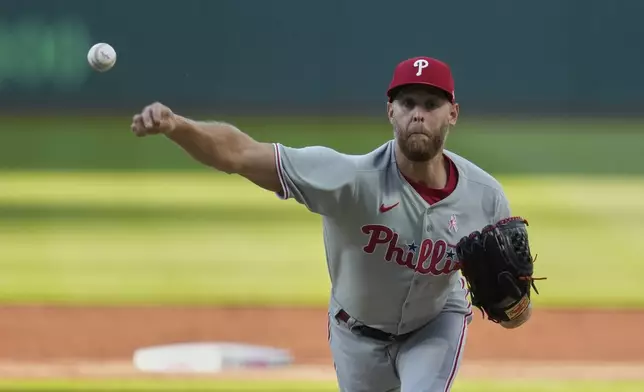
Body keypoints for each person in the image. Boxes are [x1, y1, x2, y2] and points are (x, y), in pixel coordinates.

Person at [130, 56, 531, 392]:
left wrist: (514, 306)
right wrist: (178, 126)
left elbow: (517, 314)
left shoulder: (485, 196)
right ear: (390, 110)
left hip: (435, 324)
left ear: (452, 114)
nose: (419, 115)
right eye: (408, 103)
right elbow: (240, 154)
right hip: (355, 335)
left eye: (431, 103)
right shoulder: (349, 179)